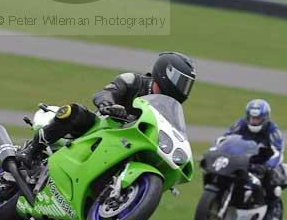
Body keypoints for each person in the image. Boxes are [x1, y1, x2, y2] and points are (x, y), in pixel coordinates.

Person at [18, 52, 196, 165]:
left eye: (187, 84)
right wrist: (108, 105)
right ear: (166, 73)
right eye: (182, 82)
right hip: (101, 128)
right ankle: (32, 151)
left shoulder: (170, 109)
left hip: (128, 144)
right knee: (74, 111)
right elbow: (104, 93)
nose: (183, 88)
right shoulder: (133, 81)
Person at [223, 99, 284, 220]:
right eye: (251, 117)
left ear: (265, 117)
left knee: (272, 182)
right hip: (242, 160)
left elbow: (278, 152)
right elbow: (225, 138)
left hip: (263, 163)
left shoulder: (273, 130)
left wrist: (268, 166)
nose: (254, 121)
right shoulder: (240, 124)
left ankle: (271, 218)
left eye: (257, 118)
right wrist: (218, 150)